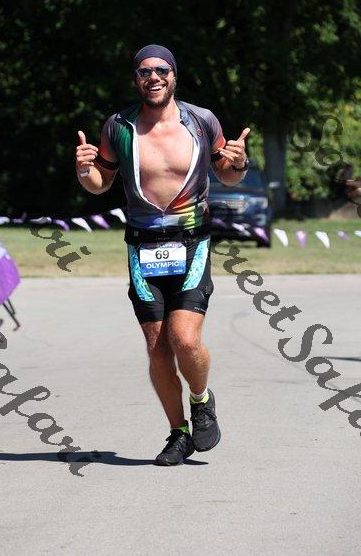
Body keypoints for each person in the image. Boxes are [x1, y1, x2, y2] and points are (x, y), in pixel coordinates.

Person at [75, 44, 250, 466]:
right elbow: (101, 183)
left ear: (173, 75)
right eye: (144, 72)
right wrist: (84, 171)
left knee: (184, 338)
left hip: (192, 243)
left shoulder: (202, 121)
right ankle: (178, 433)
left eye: (161, 70)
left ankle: (201, 400)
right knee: (157, 349)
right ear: (136, 79)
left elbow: (226, 175)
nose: (152, 77)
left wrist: (240, 164)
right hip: (142, 248)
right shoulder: (118, 126)